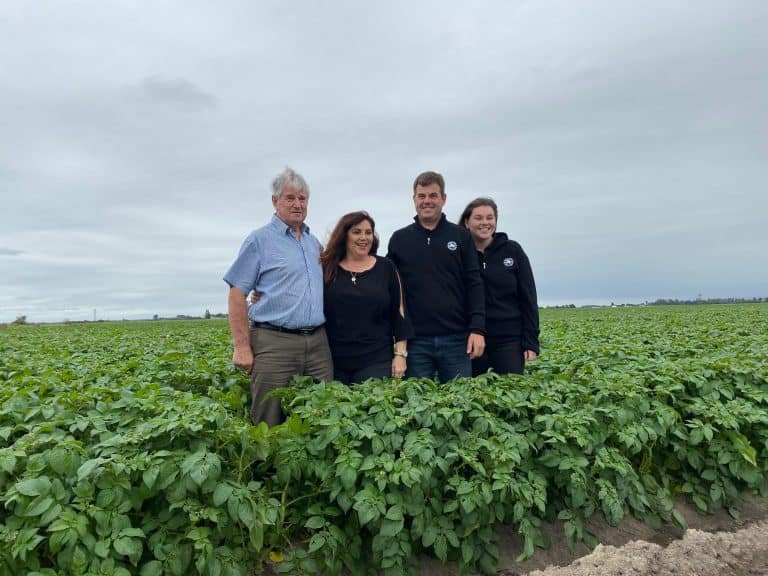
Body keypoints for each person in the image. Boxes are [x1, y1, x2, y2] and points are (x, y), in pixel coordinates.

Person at [223, 167, 333, 426]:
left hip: (318, 343)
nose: (298, 204)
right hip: (274, 342)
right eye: (290, 198)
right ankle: (266, 467)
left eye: (303, 198)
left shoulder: (312, 242)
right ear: (275, 201)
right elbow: (237, 293)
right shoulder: (259, 240)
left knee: (324, 412)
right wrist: (241, 347)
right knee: (268, 417)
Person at [387, 171, 485, 382]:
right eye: (421, 196)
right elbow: (390, 287)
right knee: (417, 405)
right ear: (414, 200)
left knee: (460, 403)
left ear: (443, 199)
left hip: (457, 340)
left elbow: (474, 284)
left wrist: (477, 329)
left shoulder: (461, 236)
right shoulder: (399, 239)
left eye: (433, 195)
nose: (427, 201)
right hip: (416, 341)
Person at [320, 211, 413, 384]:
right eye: (357, 232)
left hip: (376, 360)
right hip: (333, 362)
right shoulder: (327, 268)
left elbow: (400, 313)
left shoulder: (386, 267)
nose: (364, 237)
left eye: (368, 232)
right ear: (344, 236)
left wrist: (400, 355)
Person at [460, 197, 539, 375]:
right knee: (475, 394)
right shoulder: (460, 254)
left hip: (509, 339)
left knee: (511, 389)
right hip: (472, 338)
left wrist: (531, 341)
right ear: (467, 222)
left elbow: (528, 298)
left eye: (490, 218)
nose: (485, 223)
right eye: (478, 218)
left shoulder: (512, 250)